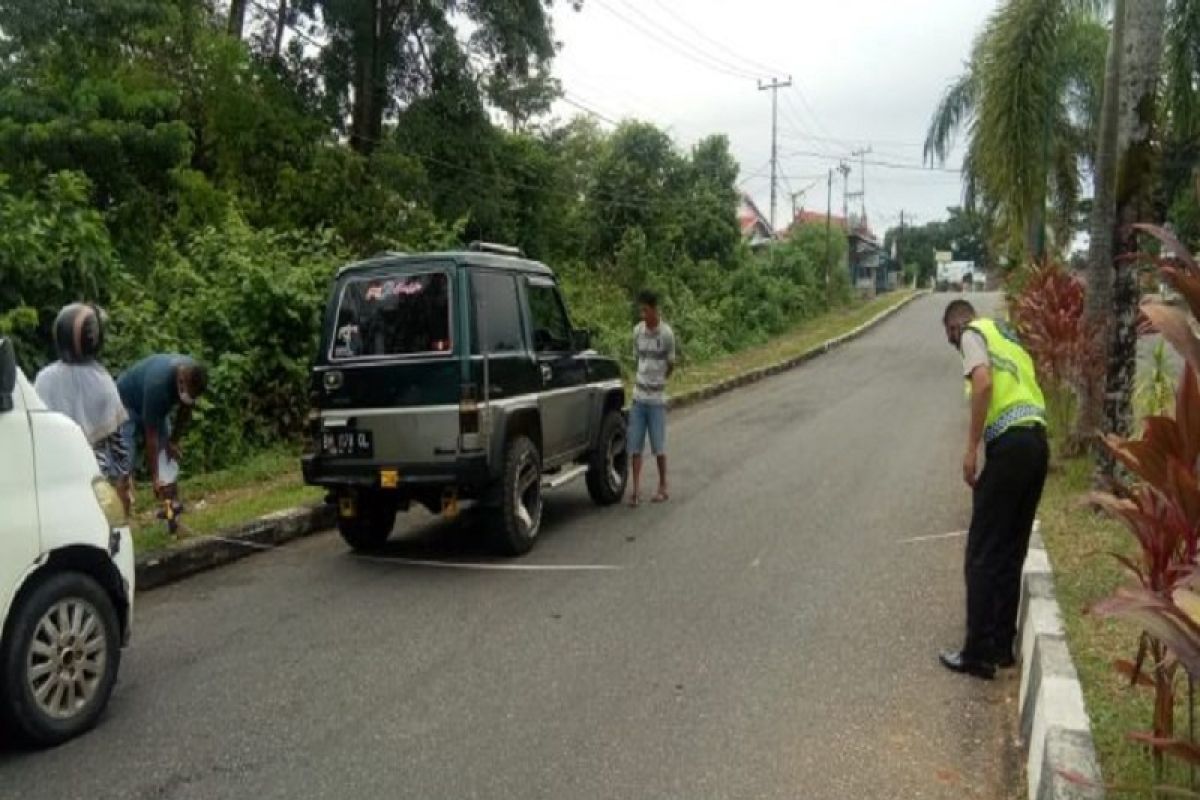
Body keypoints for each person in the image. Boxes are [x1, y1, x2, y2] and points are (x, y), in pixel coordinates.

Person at [939, 299, 1049, 680]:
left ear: (953, 329)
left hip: (1012, 445)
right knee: (1009, 548)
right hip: (1037, 444)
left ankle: (978, 654)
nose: (955, 345)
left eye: (949, 337)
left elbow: (983, 382)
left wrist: (971, 449)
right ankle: (1002, 646)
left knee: (982, 551)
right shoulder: (1008, 336)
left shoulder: (972, 333)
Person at [34, 303, 132, 514]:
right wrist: (124, 480)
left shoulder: (44, 379)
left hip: (54, 478)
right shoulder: (102, 382)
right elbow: (118, 443)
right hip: (95, 480)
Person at [116, 353, 207, 496]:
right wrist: (155, 477)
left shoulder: (194, 376)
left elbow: (185, 410)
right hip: (126, 402)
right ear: (181, 381)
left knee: (166, 453)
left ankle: (168, 499)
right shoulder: (158, 385)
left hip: (153, 400)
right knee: (125, 459)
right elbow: (151, 437)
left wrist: (174, 441)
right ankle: (124, 506)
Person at [628, 290, 677, 507]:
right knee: (634, 445)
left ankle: (663, 485)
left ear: (654, 310)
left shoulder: (666, 334)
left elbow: (671, 363)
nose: (643, 314)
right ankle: (636, 491)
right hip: (639, 397)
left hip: (656, 399)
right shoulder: (637, 332)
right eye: (641, 310)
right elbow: (637, 359)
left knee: (658, 446)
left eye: (646, 310)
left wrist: (661, 380)